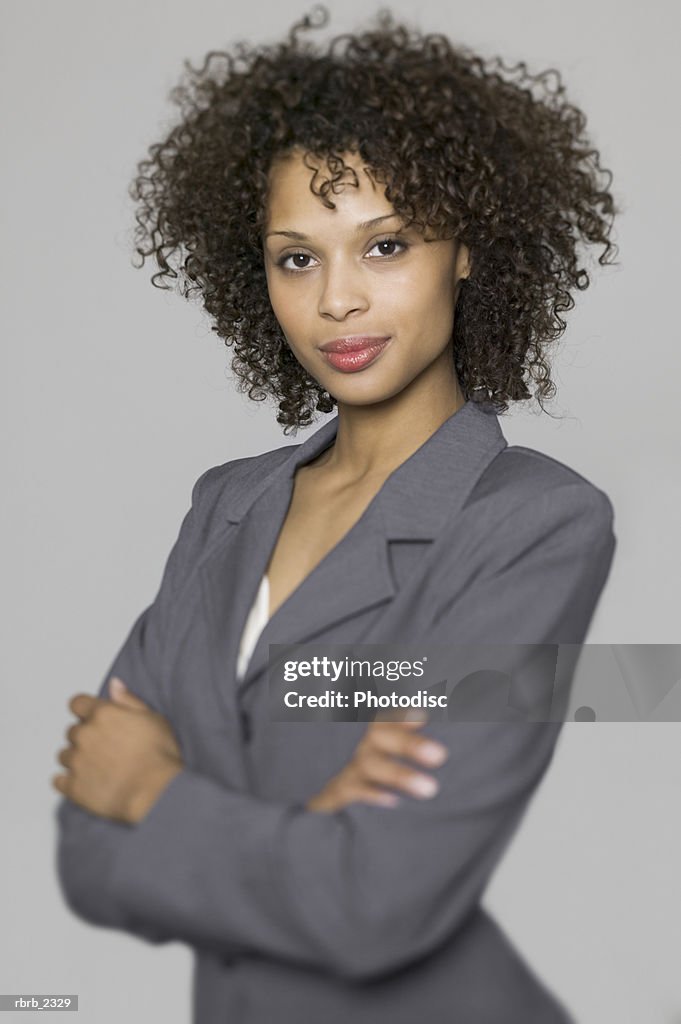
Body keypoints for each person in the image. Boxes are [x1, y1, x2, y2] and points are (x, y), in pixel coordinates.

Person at [52, 7, 619, 1022]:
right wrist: (298, 830)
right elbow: (86, 856)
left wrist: (158, 794)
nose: (338, 302)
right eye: (297, 257)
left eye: (387, 244)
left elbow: (379, 903)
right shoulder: (227, 504)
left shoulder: (539, 523)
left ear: (469, 253)